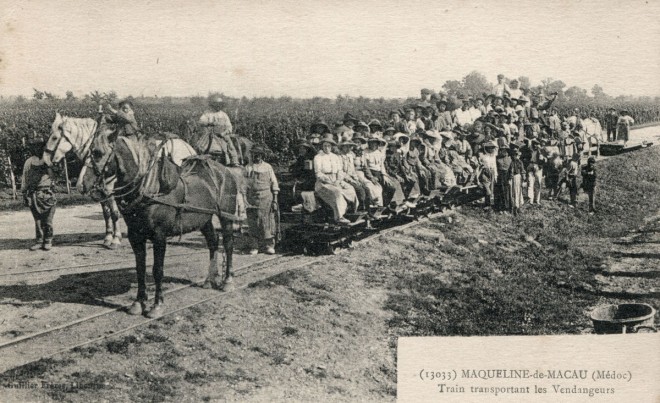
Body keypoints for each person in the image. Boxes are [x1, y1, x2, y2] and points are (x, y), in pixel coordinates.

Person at [313, 136, 358, 224]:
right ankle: (339, 217)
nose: (327, 148)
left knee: (350, 189)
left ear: (331, 147)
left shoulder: (335, 157)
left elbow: (340, 171)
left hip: (336, 180)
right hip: (323, 183)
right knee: (337, 192)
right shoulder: (318, 157)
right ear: (322, 147)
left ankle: (351, 211)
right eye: (325, 146)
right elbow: (318, 174)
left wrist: (338, 180)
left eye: (329, 146)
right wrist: (330, 181)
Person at [21, 140, 57, 251]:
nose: (37, 150)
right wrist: (24, 192)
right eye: (35, 147)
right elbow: (25, 177)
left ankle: (48, 240)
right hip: (33, 194)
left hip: (47, 193)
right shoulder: (29, 162)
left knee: (48, 219)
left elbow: (53, 177)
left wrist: (48, 165)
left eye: (40, 147)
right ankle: (39, 240)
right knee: (37, 219)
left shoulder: (48, 161)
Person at [244, 146, 279, 255]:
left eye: (259, 154)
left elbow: (274, 183)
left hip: (266, 197)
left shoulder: (268, 167)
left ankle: (268, 245)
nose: (257, 156)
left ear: (262, 155)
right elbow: (243, 184)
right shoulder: (248, 167)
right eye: (254, 154)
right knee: (253, 221)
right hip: (252, 198)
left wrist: (275, 199)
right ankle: (254, 246)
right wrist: (244, 199)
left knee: (266, 221)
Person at [198, 96, 240, 166]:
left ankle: (234, 161)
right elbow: (201, 121)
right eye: (216, 105)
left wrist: (224, 133)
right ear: (213, 105)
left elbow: (229, 127)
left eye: (219, 105)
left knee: (230, 145)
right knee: (200, 145)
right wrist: (209, 123)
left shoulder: (224, 115)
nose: (218, 106)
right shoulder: (208, 113)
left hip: (222, 134)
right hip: (210, 133)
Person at [508, 142, 525, 216]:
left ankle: (518, 207)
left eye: (517, 155)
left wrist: (523, 177)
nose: (516, 157)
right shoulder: (511, 162)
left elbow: (522, 170)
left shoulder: (520, 162)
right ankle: (513, 207)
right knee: (513, 192)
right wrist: (510, 178)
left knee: (518, 191)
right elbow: (510, 170)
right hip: (512, 177)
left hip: (518, 177)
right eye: (515, 155)